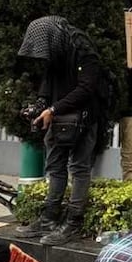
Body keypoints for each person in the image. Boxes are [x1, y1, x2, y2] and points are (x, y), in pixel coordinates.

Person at [14, 16, 103, 245]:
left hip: (83, 119)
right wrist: (39, 106)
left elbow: (87, 88)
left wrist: (53, 108)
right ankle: (49, 219)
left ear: (55, 36)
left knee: (79, 168)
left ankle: (73, 222)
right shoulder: (56, 52)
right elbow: (47, 86)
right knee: (55, 168)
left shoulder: (84, 50)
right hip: (57, 119)